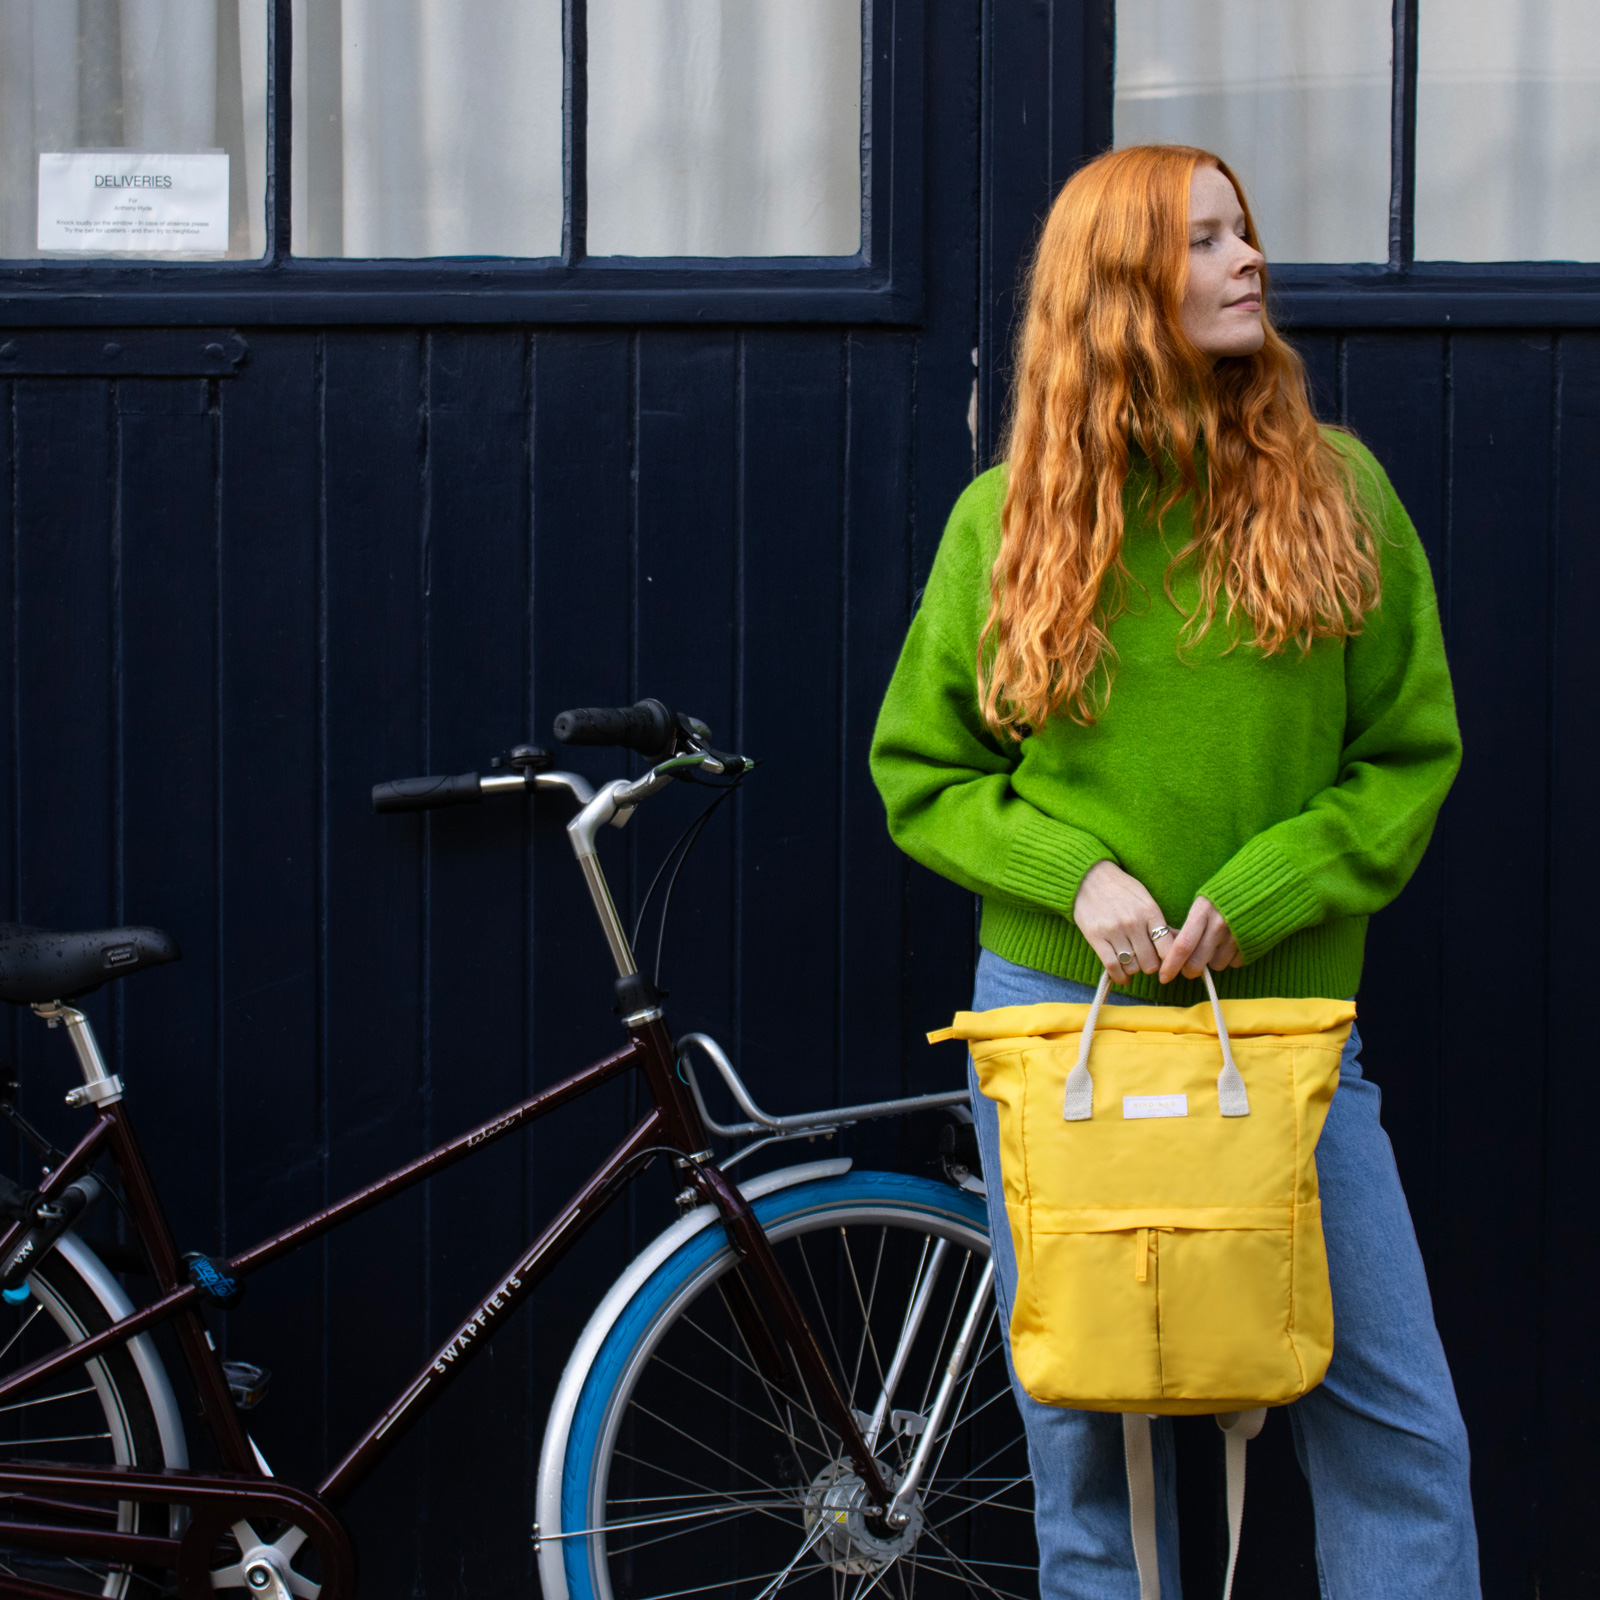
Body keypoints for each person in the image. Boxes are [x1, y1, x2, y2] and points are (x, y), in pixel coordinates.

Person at [869, 145, 1478, 1598]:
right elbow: (922, 771)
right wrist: (1072, 875)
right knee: (1083, 1438)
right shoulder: (1007, 520)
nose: (1247, 261)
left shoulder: (1342, 494)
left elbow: (1409, 757)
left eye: (1243, 233)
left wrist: (1273, 885)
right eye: (1204, 242)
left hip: (1282, 1043)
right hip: (1058, 1029)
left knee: (1396, 1432)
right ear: (1122, 287)